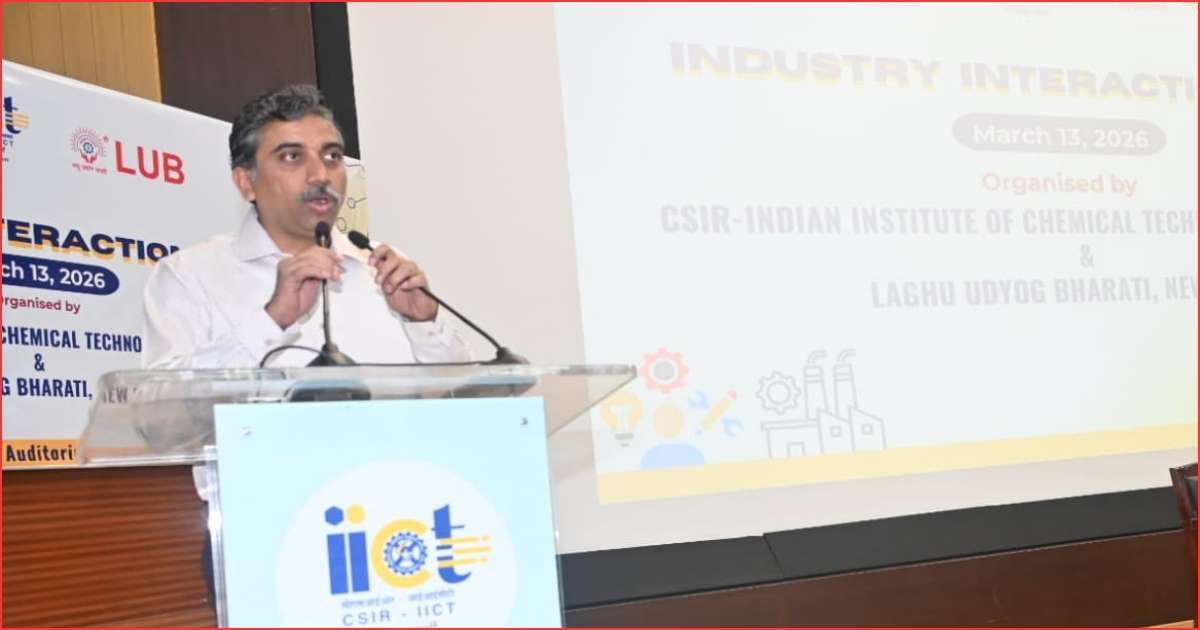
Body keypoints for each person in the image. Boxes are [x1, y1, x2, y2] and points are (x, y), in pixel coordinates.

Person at [142, 84, 469, 369]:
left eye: (332, 156)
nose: (321, 176)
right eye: (292, 157)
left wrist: (424, 322)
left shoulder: (385, 270)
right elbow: (165, 408)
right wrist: (272, 320)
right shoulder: (190, 274)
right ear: (246, 182)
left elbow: (463, 396)